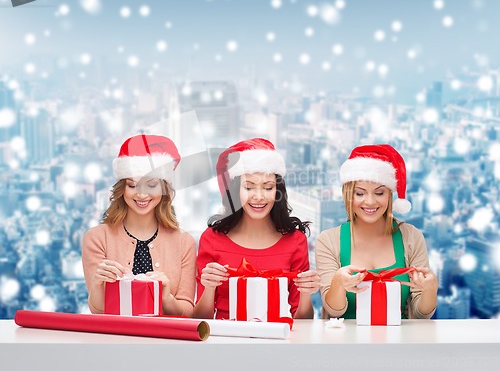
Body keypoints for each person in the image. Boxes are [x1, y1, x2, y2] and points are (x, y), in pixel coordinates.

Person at [194, 138, 320, 320]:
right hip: (226, 340)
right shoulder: (212, 239)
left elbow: (303, 321)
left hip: (277, 341)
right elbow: (199, 320)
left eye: (268, 187)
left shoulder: (295, 240)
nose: (259, 196)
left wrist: (307, 292)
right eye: (249, 187)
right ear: (236, 190)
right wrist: (209, 287)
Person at [315, 144, 438, 319]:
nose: (370, 202)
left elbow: (421, 313)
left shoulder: (411, 237)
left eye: (379, 193)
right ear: (348, 195)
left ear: (390, 195)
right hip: (345, 343)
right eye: (360, 193)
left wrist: (430, 289)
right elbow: (335, 311)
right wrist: (338, 283)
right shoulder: (328, 241)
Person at [82, 134, 196, 316]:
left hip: (164, 341)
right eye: (132, 185)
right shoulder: (97, 238)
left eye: (151, 185)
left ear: (163, 189)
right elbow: (98, 310)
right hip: (115, 339)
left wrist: (166, 297)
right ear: (122, 189)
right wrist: (97, 284)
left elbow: (187, 310)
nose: (142, 195)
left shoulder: (184, 243)